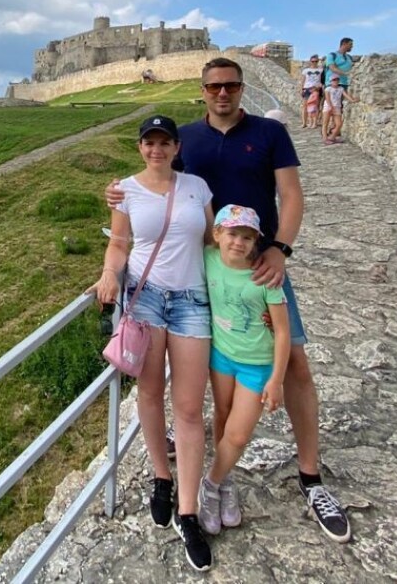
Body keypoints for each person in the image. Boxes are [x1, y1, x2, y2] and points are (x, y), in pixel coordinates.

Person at [106, 57, 352, 543]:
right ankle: (219, 476)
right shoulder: (189, 141)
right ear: (202, 91)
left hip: (260, 265)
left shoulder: (268, 132)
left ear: (242, 88)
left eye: (231, 85)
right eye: (214, 86)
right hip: (210, 276)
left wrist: (280, 248)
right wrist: (114, 193)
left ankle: (310, 477)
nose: (223, 93)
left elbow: (292, 194)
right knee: (219, 378)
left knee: (296, 365)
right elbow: (153, 183)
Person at [88, 115, 215, 571]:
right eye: (149, 142)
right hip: (145, 298)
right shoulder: (125, 189)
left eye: (164, 142)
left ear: (176, 147)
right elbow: (119, 244)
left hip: (191, 301)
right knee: (148, 392)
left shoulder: (198, 186)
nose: (156, 149)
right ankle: (162, 477)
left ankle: (188, 510)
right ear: (140, 147)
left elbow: (211, 242)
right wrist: (108, 272)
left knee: (188, 407)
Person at [196, 205, 290, 536]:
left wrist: (277, 379)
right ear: (218, 233)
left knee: (238, 433)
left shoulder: (265, 276)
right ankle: (226, 479)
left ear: (256, 242)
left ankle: (210, 484)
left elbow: (282, 331)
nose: (239, 242)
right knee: (221, 416)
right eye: (233, 233)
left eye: (247, 237)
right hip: (221, 356)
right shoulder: (208, 257)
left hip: (256, 364)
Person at [321, 75, 358, 144]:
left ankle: (332, 137)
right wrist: (331, 107)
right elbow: (327, 99)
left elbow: (346, 95)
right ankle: (325, 138)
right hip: (328, 107)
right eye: (334, 80)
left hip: (337, 107)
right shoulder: (328, 89)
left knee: (339, 124)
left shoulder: (341, 88)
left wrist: (353, 100)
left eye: (337, 80)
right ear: (331, 81)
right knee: (325, 123)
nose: (335, 81)